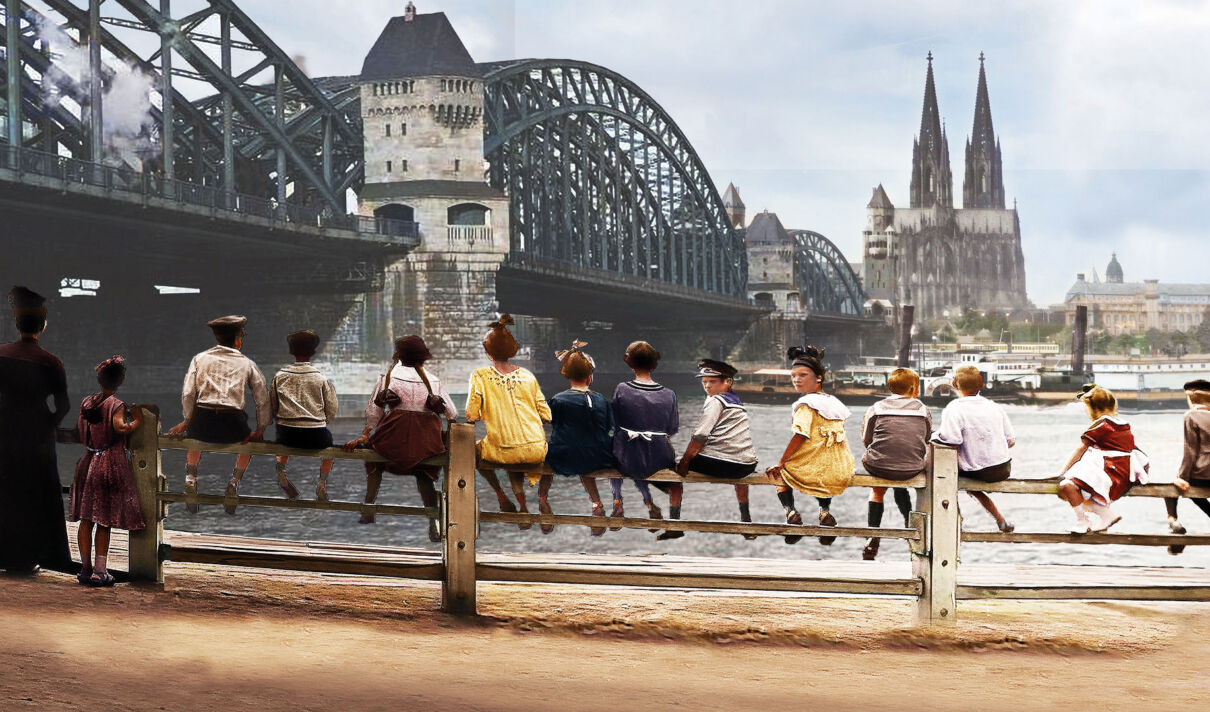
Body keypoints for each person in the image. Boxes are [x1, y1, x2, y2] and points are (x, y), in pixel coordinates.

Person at [346, 335, 457, 540]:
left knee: (373, 458)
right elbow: (452, 413)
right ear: (423, 358)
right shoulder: (433, 381)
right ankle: (434, 520)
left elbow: (374, 412)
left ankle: (369, 507)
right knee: (424, 475)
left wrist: (366, 434)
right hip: (425, 441)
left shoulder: (388, 378)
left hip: (394, 438)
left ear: (399, 356)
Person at [0, 286, 74, 575]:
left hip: (4, 431)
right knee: (37, 493)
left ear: (16, 325)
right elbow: (64, 405)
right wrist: (46, 425)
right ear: (42, 327)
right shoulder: (50, 361)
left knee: (6, 491)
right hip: (37, 436)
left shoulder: (1, 355)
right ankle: (35, 556)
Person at [166, 315, 273, 514]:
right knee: (249, 444)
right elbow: (262, 398)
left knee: (193, 439)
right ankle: (233, 483)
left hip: (203, 421)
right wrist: (261, 427)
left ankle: (190, 479)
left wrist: (187, 421)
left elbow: (189, 393)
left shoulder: (200, 359)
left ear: (217, 338)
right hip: (233, 422)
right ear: (238, 340)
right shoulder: (247, 363)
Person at [465, 315, 551, 530]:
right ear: (512, 349)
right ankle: (536, 502)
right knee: (515, 448)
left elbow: (470, 414)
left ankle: (502, 496)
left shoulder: (480, 375)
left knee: (476, 452)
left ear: (488, 352)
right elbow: (547, 414)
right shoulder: (528, 376)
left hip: (504, 448)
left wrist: (488, 413)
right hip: (535, 448)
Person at [68, 356, 147, 586]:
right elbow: (120, 427)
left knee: (86, 518)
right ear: (120, 381)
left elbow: (81, 433)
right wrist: (138, 420)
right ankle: (100, 571)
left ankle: (84, 568)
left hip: (87, 461)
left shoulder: (86, 403)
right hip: (107, 464)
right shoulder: (116, 405)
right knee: (103, 519)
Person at [766, 346, 854, 546]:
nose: (797, 379)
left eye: (803, 375)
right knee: (820, 470)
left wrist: (781, 462)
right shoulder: (835, 403)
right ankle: (824, 512)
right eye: (794, 376)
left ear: (819, 378)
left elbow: (800, 435)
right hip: (841, 468)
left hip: (817, 469)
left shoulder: (806, 405)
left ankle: (790, 512)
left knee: (777, 473)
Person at [677, 359, 760, 541]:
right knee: (735, 459)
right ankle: (745, 517)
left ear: (727, 382)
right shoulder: (736, 401)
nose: (707, 385)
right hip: (747, 465)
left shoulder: (716, 401)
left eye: (712, 381)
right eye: (704, 381)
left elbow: (700, 435)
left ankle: (673, 521)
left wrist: (685, 462)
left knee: (672, 462)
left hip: (725, 464)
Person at [930, 364, 1016, 533]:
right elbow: (1011, 441)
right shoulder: (995, 407)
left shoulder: (954, 408)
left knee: (943, 476)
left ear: (955, 386)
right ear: (981, 384)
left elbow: (952, 440)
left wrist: (934, 437)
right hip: (1002, 468)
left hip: (977, 471)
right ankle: (1000, 520)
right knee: (972, 487)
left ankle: (955, 522)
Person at [859, 367, 931, 560]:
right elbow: (926, 438)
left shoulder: (876, 408)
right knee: (900, 482)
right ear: (915, 389)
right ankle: (909, 528)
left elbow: (867, 439)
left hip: (879, 465)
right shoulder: (923, 409)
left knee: (877, 489)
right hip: (911, 467)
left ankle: (873, 535)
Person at [1056, 384, 1148, 534]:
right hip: (1122, 473)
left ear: (1092, 407)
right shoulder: (1123, 424)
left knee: (1066, 486)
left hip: (1109, 470)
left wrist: (1062, 471)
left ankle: (1083, 521)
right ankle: (1107, 516)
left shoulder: (1101, 425)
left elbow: (1080, 449)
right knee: (1080, 493)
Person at [545, 341, 615, 536]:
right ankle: (597, 503)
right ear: (590, 376)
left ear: (567, 375)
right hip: (598, 455)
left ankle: (543, 498)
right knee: (586, 455)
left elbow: (552, 422)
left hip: (564, 455)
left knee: (546, 455)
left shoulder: (558, 399)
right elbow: (609, 426)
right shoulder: (600, 399)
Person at [267, 330, 339, 513]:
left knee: (283, 438)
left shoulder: (280, 376)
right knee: (330, 450)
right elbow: (332, 408)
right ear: (313, 351)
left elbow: (272, 405)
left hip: (286, 433)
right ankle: (322, 483)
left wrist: (281, 418)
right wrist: (321, 422)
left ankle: (281, 471)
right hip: (315, 434)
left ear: (291, 351)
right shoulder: (320, 378)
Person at [611, 341, 675, 538]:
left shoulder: (622, 389)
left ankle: (618, 501)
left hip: (629, 456)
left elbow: (615, 423)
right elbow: (671, 429)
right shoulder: (669, 394)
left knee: (616, 453)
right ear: (654, 365)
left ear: (630, 364)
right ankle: (648, 502)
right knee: (639, 454)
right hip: (659, 457)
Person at [1164, 379, 1210, 554]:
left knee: (1171, 490)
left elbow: (1190, 451)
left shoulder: (1191, 416)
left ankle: (1173, 521)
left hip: (1203, 473)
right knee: (1194, 493)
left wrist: (1181, 477)